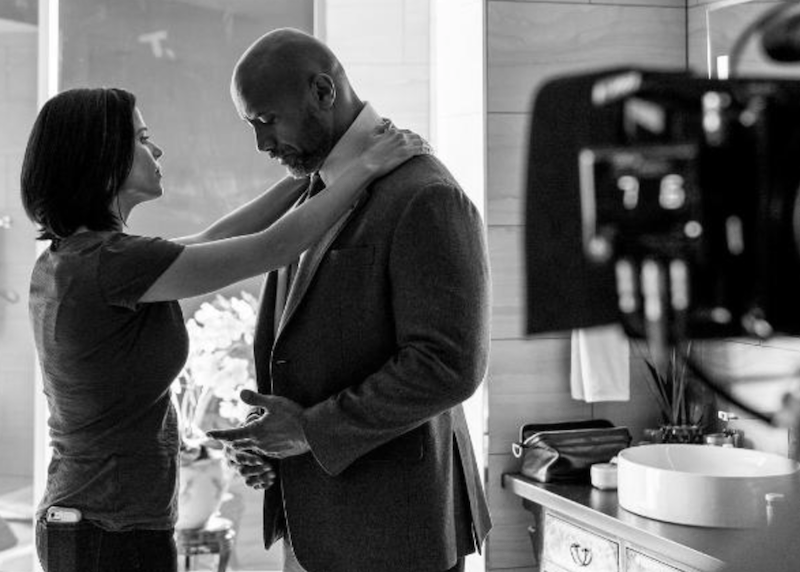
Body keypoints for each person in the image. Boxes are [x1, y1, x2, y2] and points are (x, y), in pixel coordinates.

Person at [21, 86, 426, 572]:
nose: (157, 150)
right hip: (108, 531)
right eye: (143, 139)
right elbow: (273, 247)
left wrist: (315, 172)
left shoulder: (77, 258)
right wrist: (366, 166)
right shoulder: (112, 264)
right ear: (101, 158)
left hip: (94, 522)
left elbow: (216, 237)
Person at [206, 28, 492, 572]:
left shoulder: (426, 194)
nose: (262, 144)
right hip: (322, 525)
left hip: (397, 534)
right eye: (251, 125)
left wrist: (307, 431)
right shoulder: (315, 188)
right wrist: (271, 440)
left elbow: (448, 364)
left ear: (322, 91)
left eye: (267, 120)